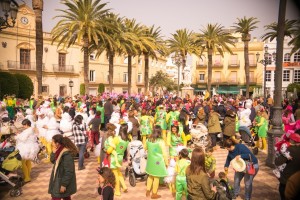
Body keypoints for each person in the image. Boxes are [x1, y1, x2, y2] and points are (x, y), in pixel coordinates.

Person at [48, 134, 78, 200]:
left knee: (56, 197)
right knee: (66, 197)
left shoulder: (66, 154)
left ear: (57, 143)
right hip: (58, 179)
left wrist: (64, 184)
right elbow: (52, 160)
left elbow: (69, 171)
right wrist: (53, 151)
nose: (51, 143)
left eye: (53, 142)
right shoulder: (59, 151)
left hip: (61, 181)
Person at [275, 132, 300, 200]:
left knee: (284, 194)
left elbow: (277, 162)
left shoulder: (290, 149)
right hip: (297, 179)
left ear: (292, 140)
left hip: (287, 178)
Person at [145, 125, 168, 199]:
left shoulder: (148, 139)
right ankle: (154, 193)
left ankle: (148, 190)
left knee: (150, 175)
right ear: (159, 132)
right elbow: (164, 153)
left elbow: (145, 147)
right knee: (156, 177)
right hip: (158, 161)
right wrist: (166, 162)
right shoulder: (161, 141)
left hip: (150, 160)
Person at [109, 123, 130, 196]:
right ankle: (124, 186)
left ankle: (117, 191)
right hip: (120, 157)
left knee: (115, 175)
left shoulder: (117, 138)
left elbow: (110, 149)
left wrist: (106, 150)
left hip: (114, 158)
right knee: (118, 172)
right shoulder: (127, 140)